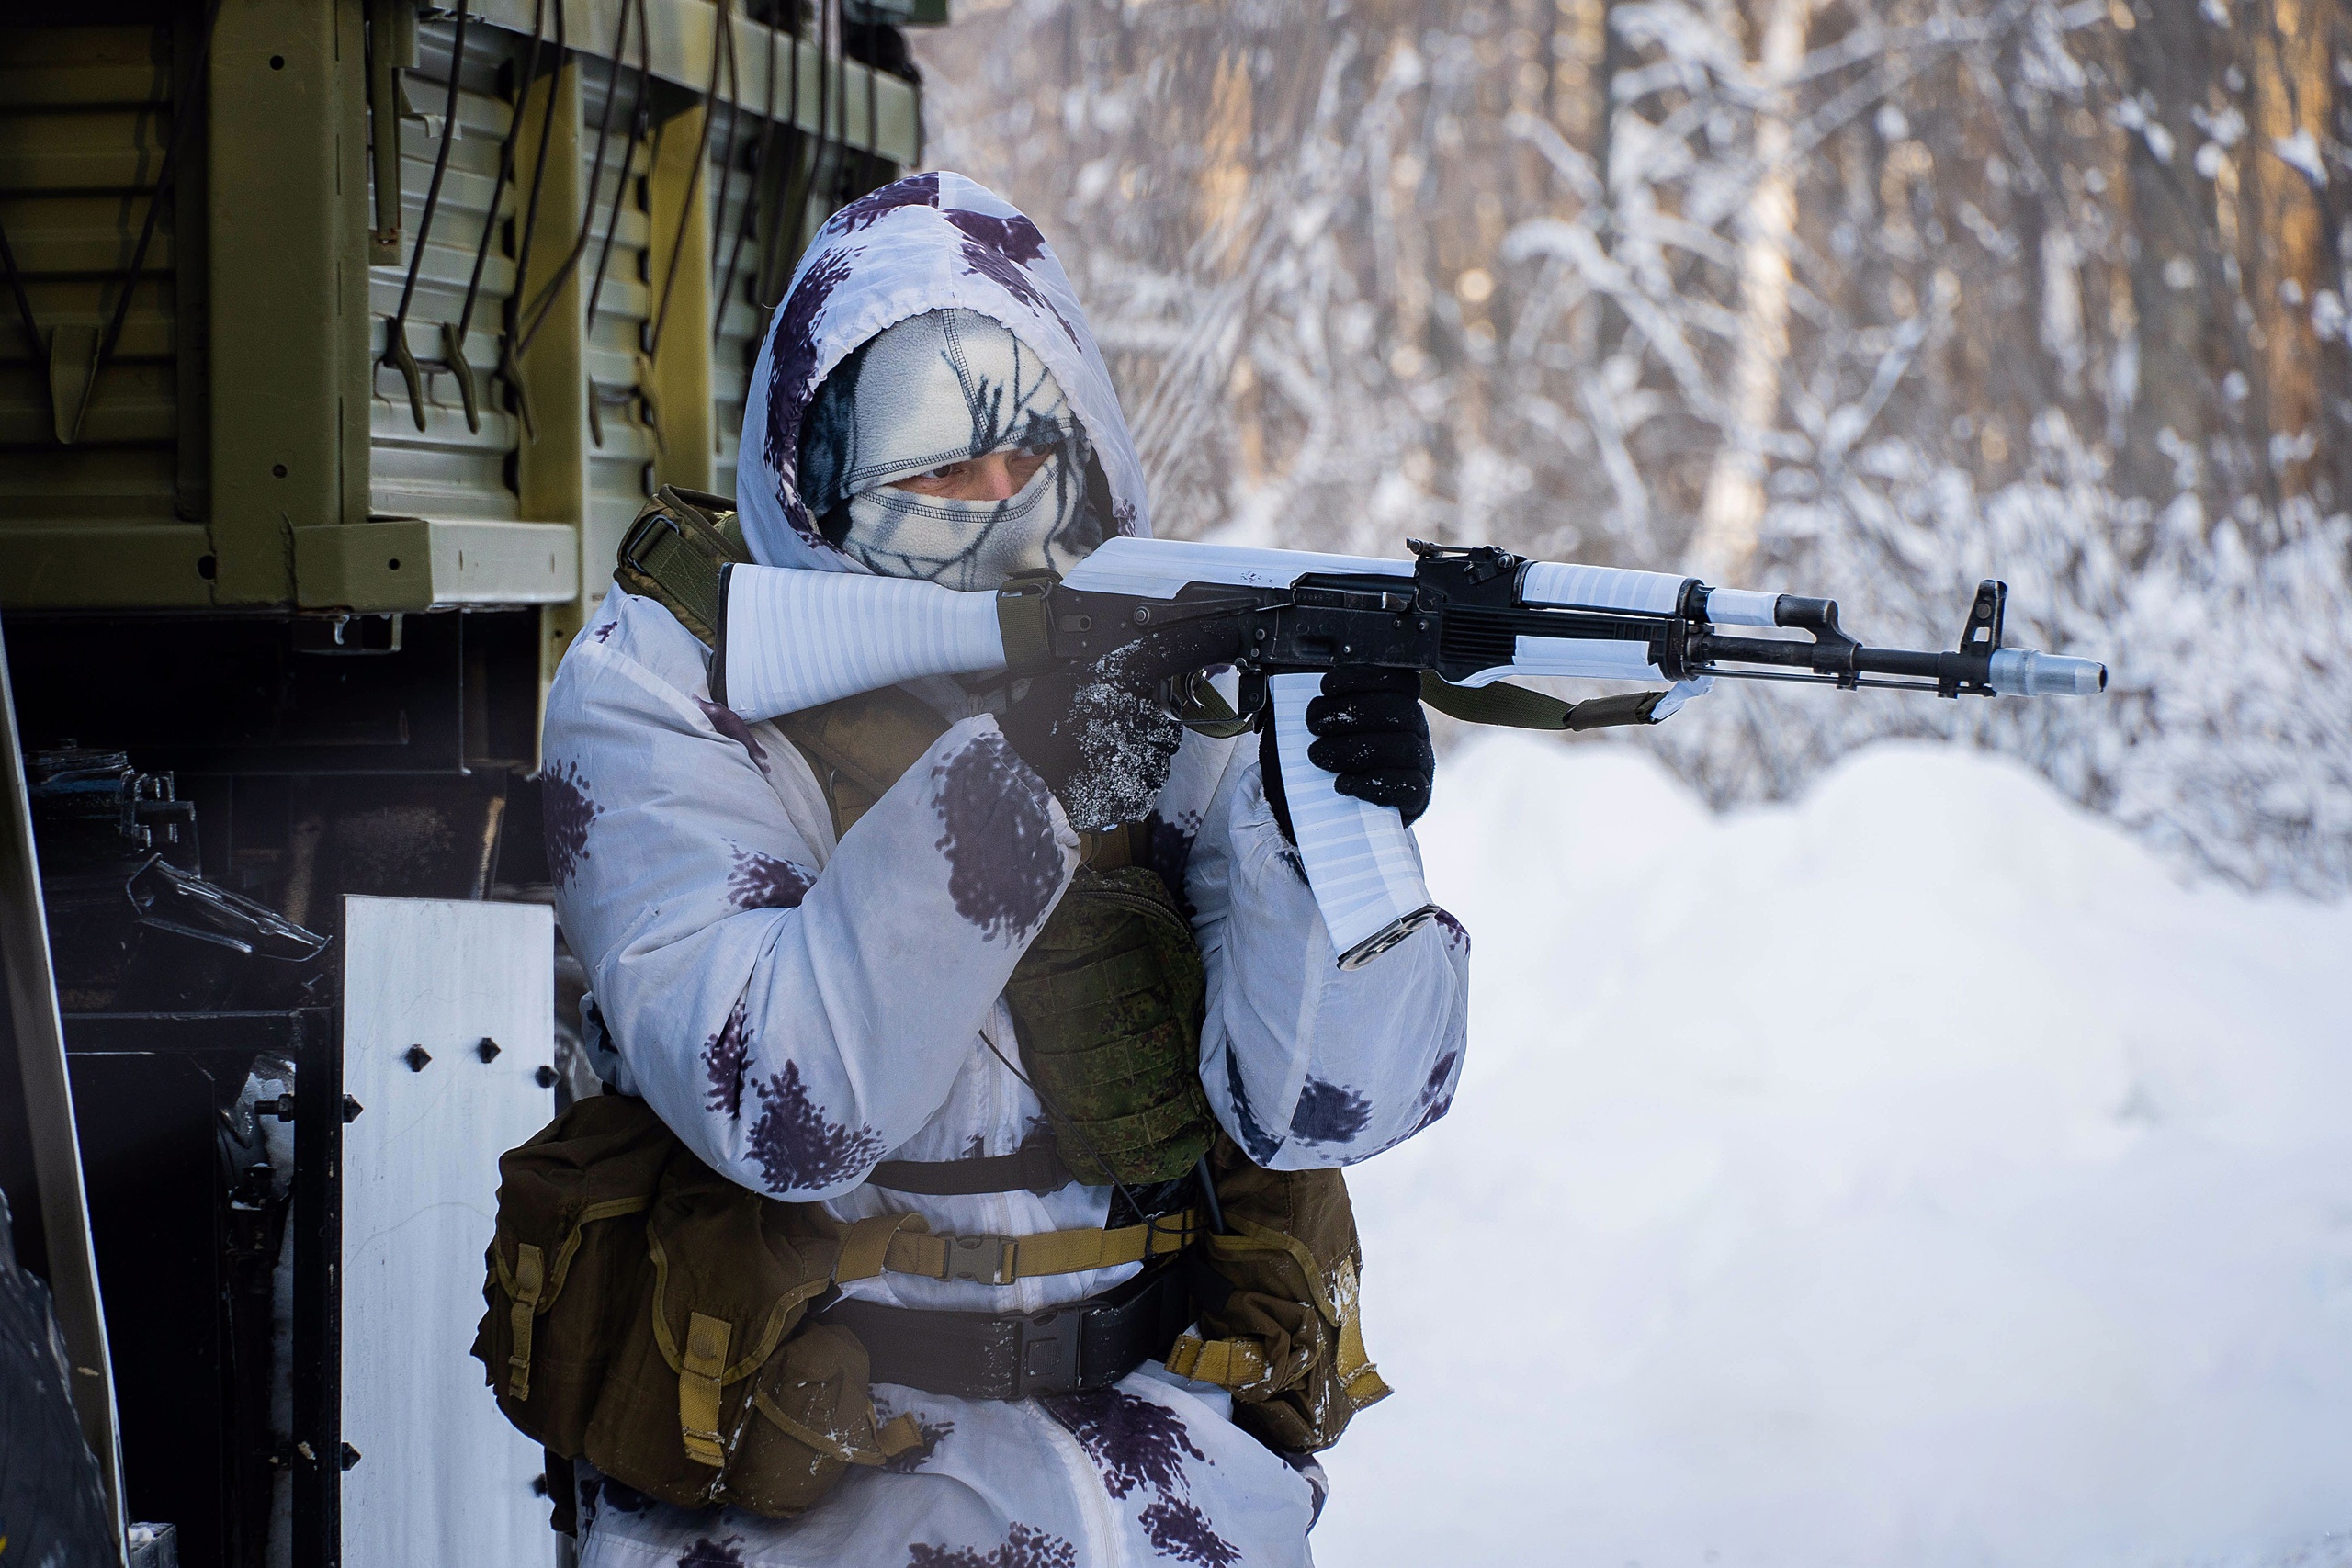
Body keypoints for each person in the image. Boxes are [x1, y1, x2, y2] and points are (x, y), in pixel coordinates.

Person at [540, 171, 1469, 1568]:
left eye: (1026, 460)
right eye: (933, 476)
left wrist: (1328, 822)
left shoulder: (1148, 634)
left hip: (1163, 1487)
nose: (996, 510)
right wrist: (1031, 777)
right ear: (821, 480)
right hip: (815, 1505)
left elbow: (1334, 1105)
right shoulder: (668, 685)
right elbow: (781, 1102)